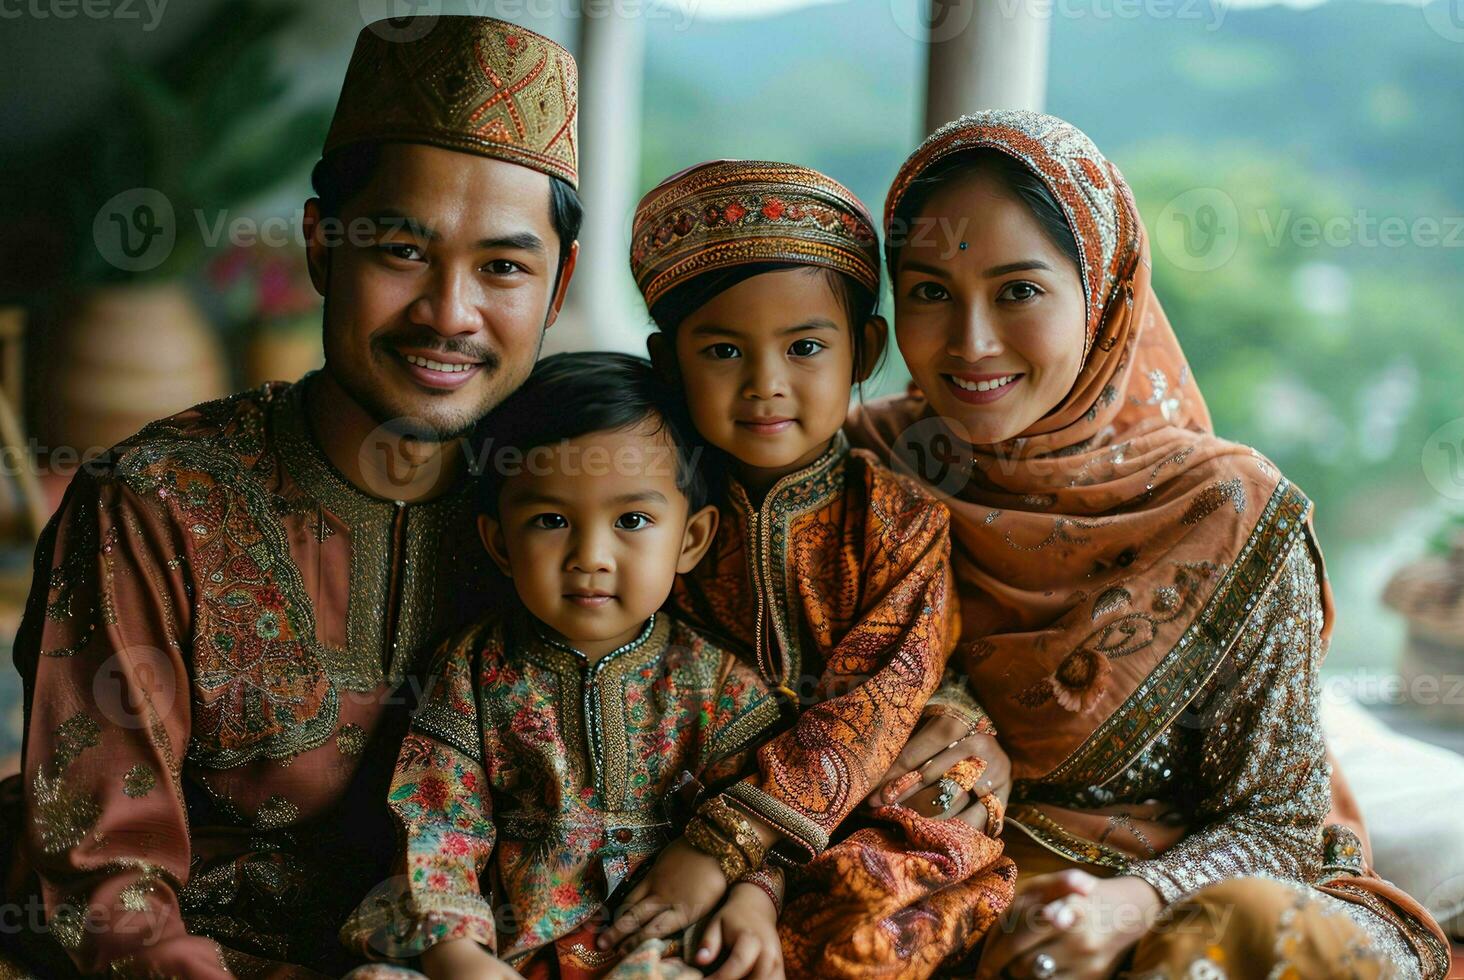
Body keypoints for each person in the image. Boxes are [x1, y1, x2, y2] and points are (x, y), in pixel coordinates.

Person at [0, 16, 581, 978]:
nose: (448, 311)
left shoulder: (582, 515)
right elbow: (106, 882)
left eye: (504, 267)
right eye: (401, 251)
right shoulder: (151, 505)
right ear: (322, 248)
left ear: (557, 291)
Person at [848, 109, 1451, 978]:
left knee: (1230, 931)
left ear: (1103, 296)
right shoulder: (868, 471)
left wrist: (1131, 904)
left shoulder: (1229, 511)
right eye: (930, 292)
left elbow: (1279, 823)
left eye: (1019, 291)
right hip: (964, 894)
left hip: (1192, 899)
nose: (971, 342)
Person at [605, 160, 1015, 978]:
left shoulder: (899, 521)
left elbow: (877, 706)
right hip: (689, 797)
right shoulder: (653, 519)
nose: (766, 385)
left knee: (884, 897)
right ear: (667, 362)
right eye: (722, 349)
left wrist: (736, 856)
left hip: (868, 792)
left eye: (804, 347)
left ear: (864, 350)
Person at [339, 353, 785, 980]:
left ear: (691, 539)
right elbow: (439, 825)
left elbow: (758, 819)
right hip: (505, 947)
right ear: (499, 542)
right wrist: (460, 956)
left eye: (632, 520)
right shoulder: (473, 667)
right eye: (550, 521)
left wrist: (752, 902)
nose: (590, 556)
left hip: (655, 952)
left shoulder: (720, 683)